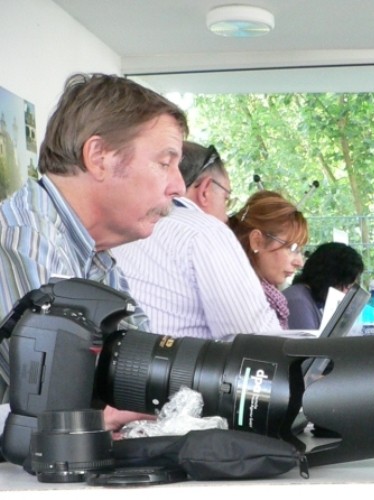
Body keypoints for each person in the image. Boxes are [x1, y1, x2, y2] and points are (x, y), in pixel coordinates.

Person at [0, 73, 189, 430]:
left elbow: (137, 368)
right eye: (165, 163)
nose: (179, 186)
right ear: (99, 156)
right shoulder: (23, 242)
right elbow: (54, 403)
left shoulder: (96, 256)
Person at [112, 141, 283, 339]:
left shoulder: (120, 224)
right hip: (176, 358)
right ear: (205, 190)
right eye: (226, 199)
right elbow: (256, 338)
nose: (227, 217)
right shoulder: (207, 232)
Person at [229, 191, 309, 329]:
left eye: (301, 251)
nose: (300, 263)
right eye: (292, 248)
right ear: (257, 241)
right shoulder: (244, 298)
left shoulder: (269, 297)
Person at [282, 242, 364, 330]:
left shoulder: (313, 298)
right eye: (346, 285)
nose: (346, 292)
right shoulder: (298, 302)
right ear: (330, 278)